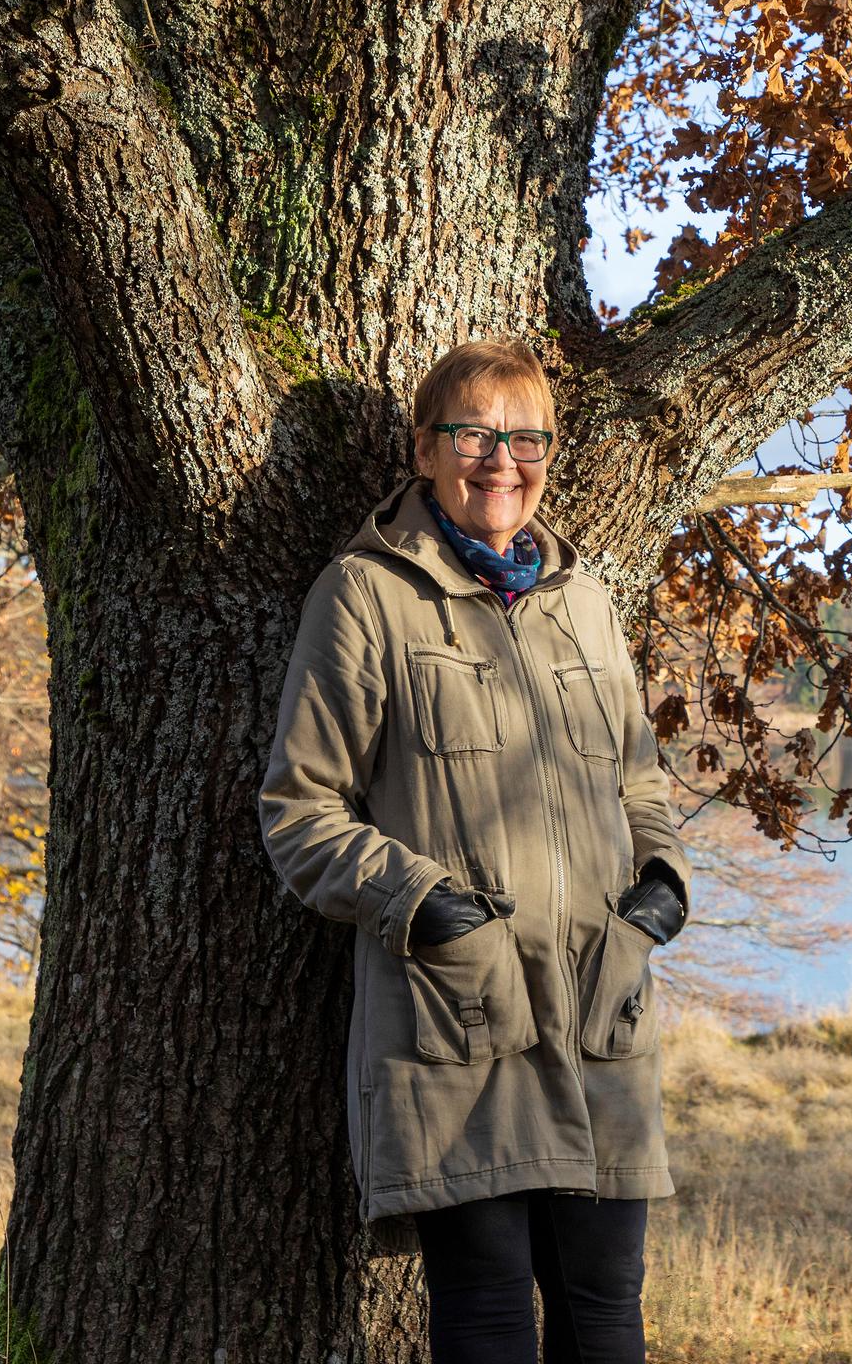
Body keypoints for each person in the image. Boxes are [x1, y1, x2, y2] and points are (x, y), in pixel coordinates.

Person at [257, 338, 692, 1363]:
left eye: (527, 438)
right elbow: (300, 810)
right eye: (474, 436)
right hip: (463, 1020)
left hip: (601, 1012)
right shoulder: (367, 596)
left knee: (606, 1311)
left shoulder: (584, 605)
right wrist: (427, 905)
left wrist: (661, 888)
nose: (502, 461)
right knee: (488, 1315)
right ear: (424, 450)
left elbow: (640, 784)